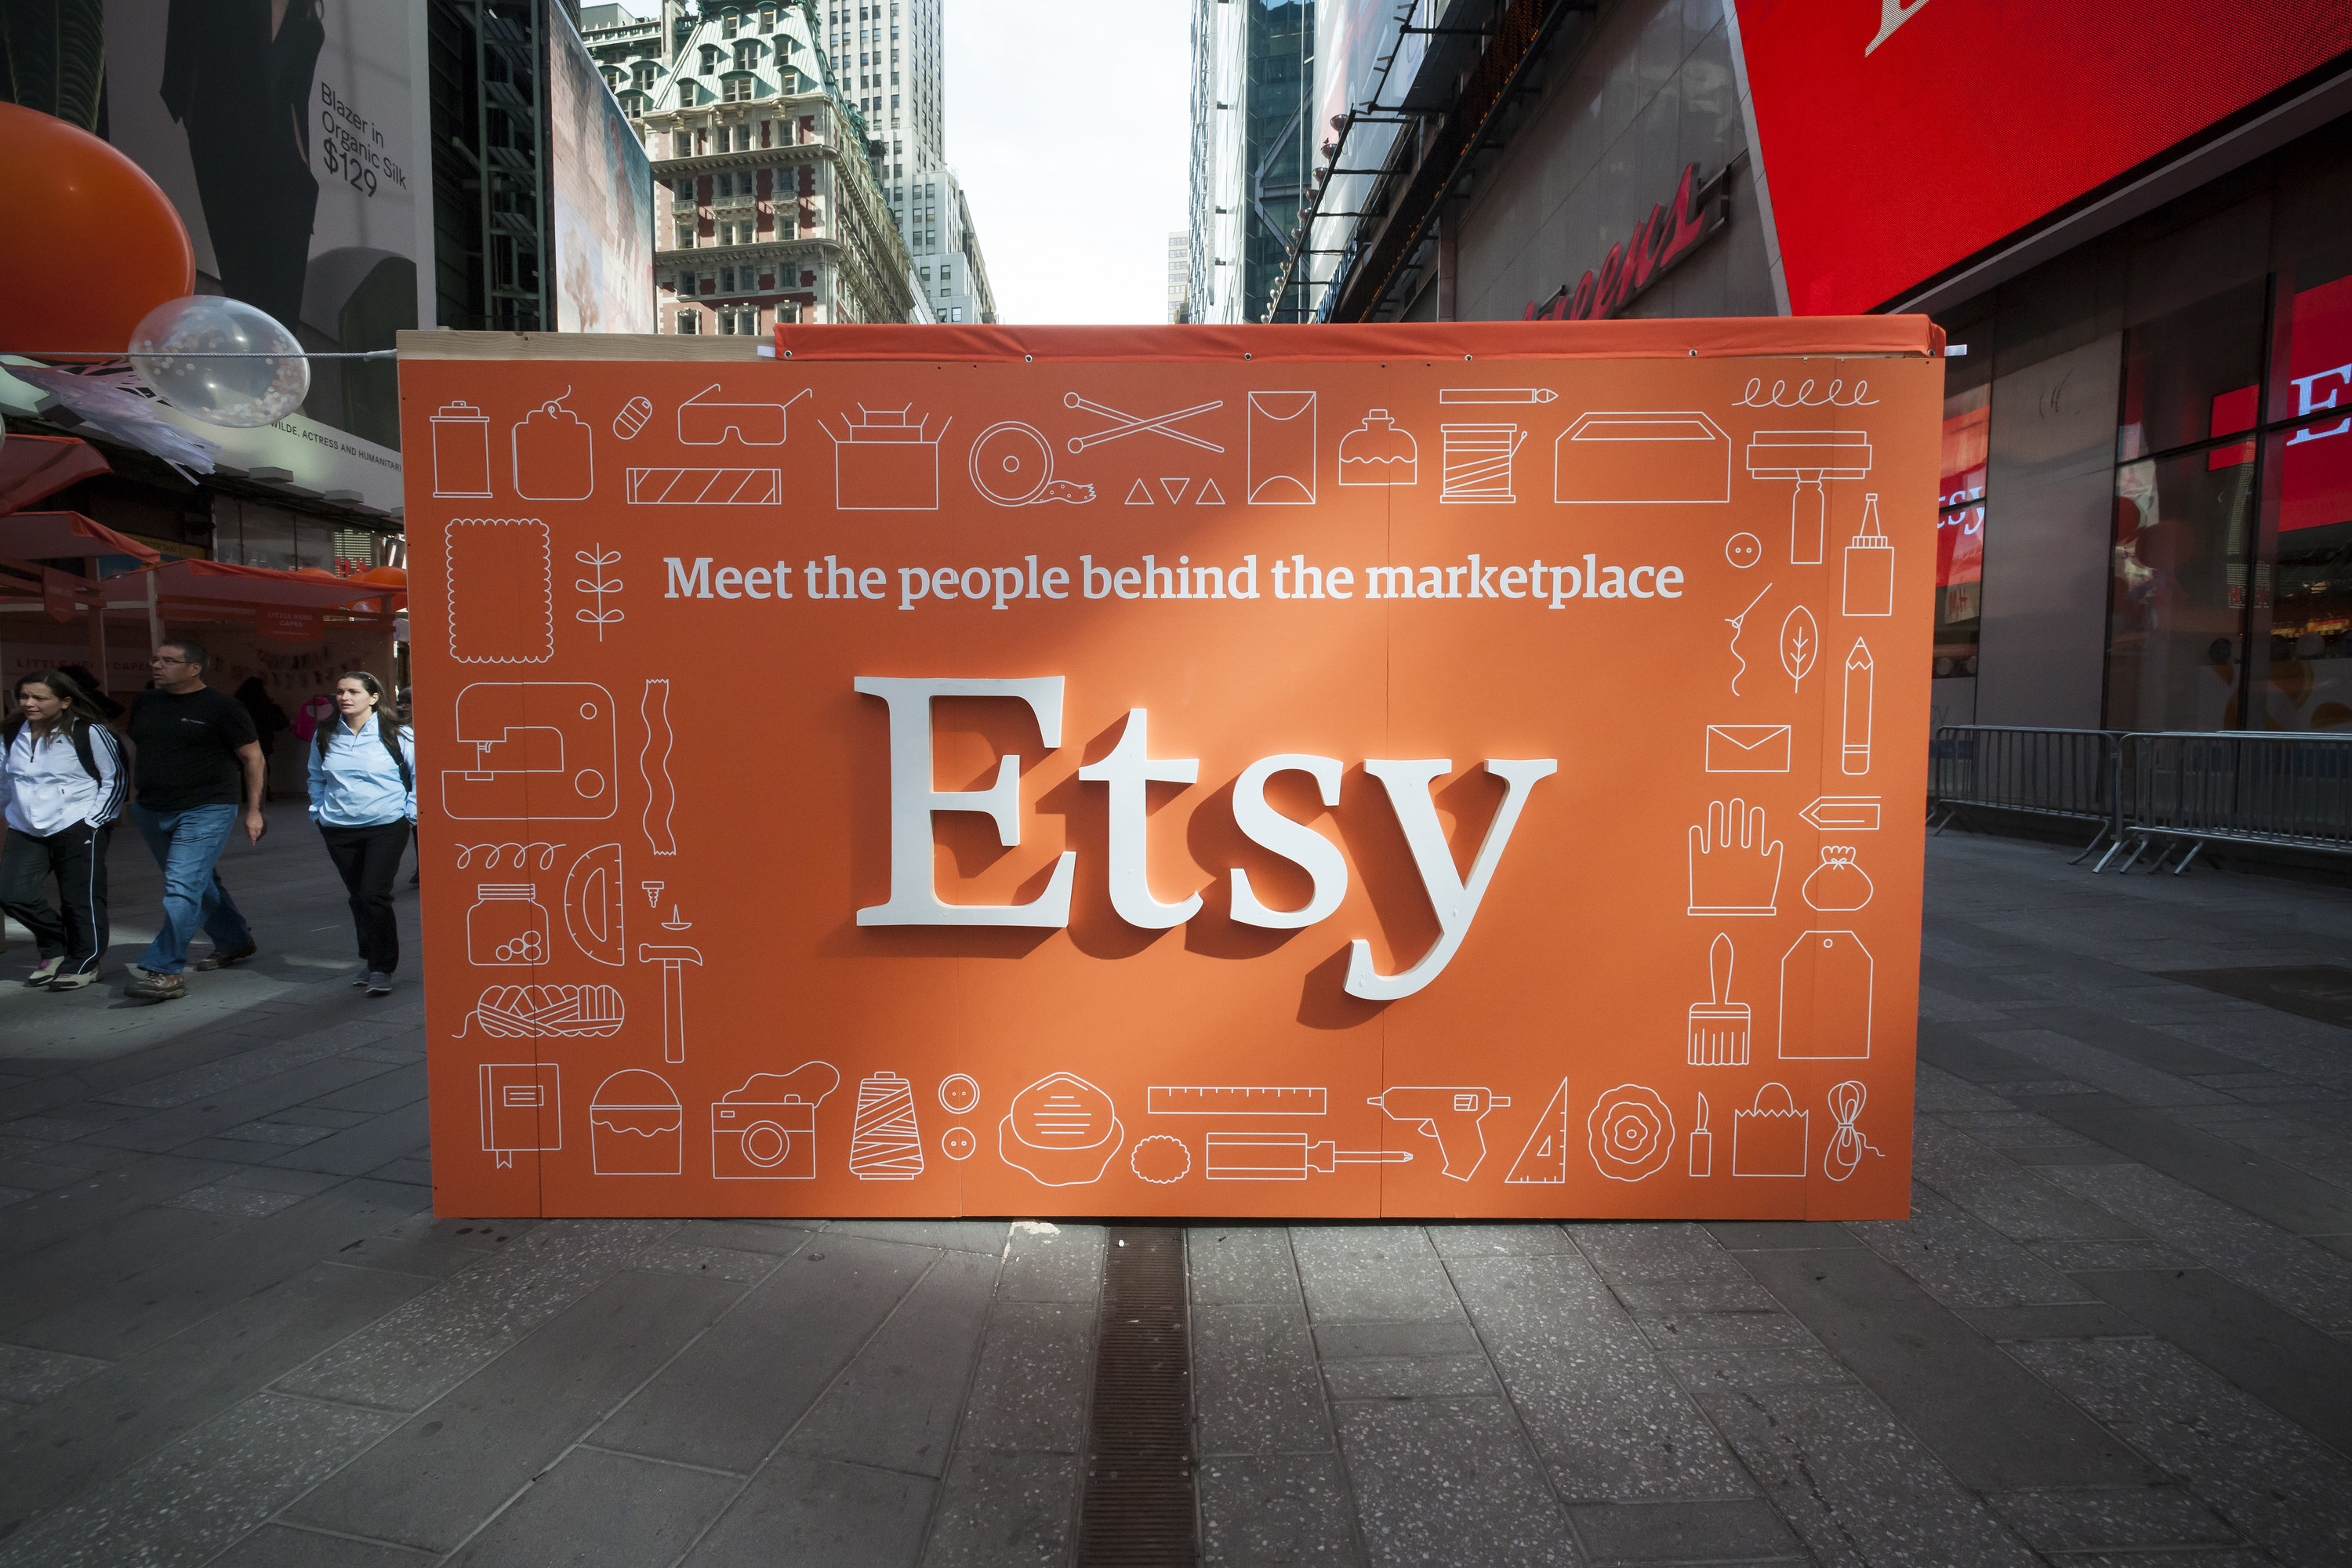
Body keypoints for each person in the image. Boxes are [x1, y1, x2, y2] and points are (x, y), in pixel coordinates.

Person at [124, 639, 266, 1003]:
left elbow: (253, 759)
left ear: (194, 668)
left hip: (206, 809)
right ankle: (235, 940)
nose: (157, 665)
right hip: (152, 809)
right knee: (198, 883)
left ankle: (165, 969)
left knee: (182, 886)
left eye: (169, 661)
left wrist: (253, 810)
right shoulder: (146, 701)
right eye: (155, 658)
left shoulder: (223, 707)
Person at [0, 670, 127, 990]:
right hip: (25, 827)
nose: (29, 703)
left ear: (66, 701)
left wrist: (94, 821)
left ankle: (84, 961)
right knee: (11, 893)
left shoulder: (89, 731)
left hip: (78, 823)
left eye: (40, 698)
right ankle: (55, 945)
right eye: (24, 696)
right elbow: (4, 779)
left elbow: (115, 778)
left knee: (79, 899)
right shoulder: (10, 731)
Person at [308, 672, 414, 994]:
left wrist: (409, 813)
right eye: (339, 692)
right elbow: (316, 776)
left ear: (373, 697)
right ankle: (370, 959)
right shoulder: (325, 735)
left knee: (373, 894)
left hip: (386, 826)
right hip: (339, 828)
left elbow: (418, 773)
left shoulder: (396, 734)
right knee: (358, 898)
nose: (344, 697)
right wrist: (318, 812)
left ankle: (383, 967)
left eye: (353, 691)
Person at [233, 676, 289, 800]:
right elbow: (278, 723)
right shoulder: (265, 706)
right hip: (263, 739)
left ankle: (247, 795)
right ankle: (263, 794)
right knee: (262, 766)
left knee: (246, 767)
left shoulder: (238, 705)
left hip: (243, 740)